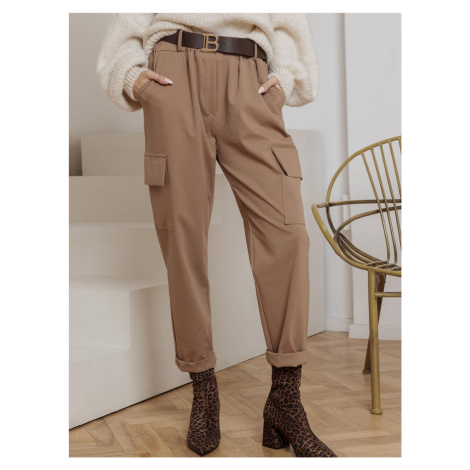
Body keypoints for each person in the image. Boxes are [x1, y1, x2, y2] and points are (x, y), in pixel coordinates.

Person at [97, 13, 336, 458]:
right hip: (174, 76)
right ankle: (203, 390)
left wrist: (285, 76)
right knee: (183, 239)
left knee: (288, 236)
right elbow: (127, 19)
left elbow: (287, 18)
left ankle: (286, 399)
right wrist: (133, 77)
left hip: (251, 79)